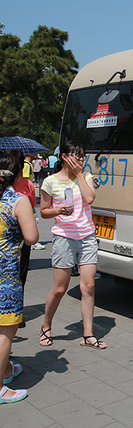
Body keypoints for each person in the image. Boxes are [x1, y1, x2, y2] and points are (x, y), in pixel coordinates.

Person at [39, 141, 107, 349]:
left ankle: (88, 334)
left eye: (83, 156)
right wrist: (59, 211)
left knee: (89, 286)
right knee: (60, 288)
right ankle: (46, 326)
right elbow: (43, 211)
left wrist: (79, 174)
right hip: (64, 237)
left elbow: (90, 198)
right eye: (76, 156)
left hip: (86, 236)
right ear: (63, 157)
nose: (80, 160)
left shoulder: (85, 177)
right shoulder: (50, 182)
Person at [0, 151, 39, 404]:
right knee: (5, 330)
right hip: (6, 275)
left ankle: (6, 371)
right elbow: (32, 237)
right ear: (17, 175)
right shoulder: (17, 200)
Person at [8, 150, 37, 328]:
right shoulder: (11, 187)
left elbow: (33, 208)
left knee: (20, 274)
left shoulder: (28, 185)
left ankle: (16, 311)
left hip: (19, 239)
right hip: (13, 240)